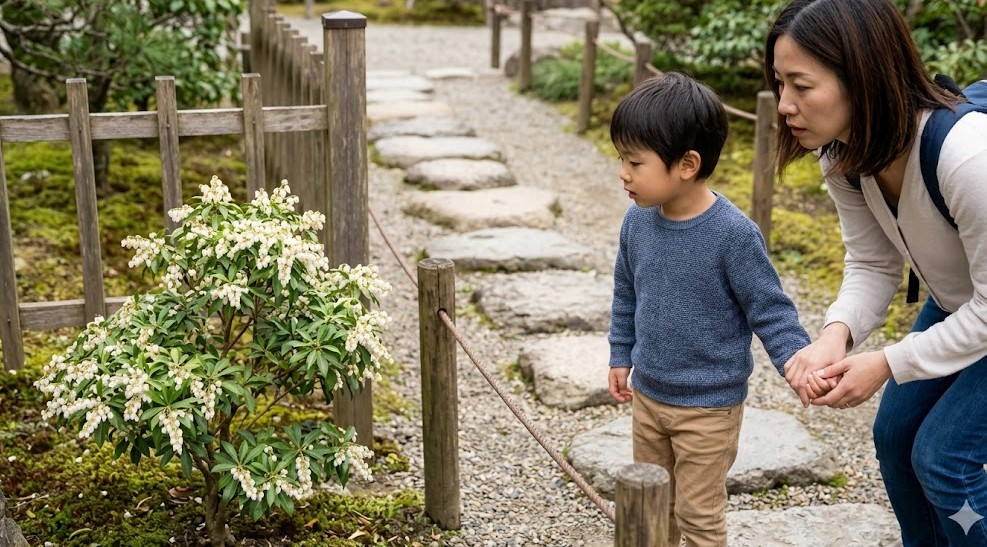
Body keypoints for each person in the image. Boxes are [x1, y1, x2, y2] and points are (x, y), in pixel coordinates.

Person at [766, 0, 987, 544]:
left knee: (944, 459)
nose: (785, 105)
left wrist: (887, 362)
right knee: (893, 437)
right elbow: (871, 262)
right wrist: (835, 336)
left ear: (861, 77)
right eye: (780, 83)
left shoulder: (965, 156)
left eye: (801, 85)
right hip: (960, 302)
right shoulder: (842, 153)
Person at [606, 72, 811, 547]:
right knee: (651, 504)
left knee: (698, 514)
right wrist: (620, 353)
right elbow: (626, 292)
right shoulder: (637, 222)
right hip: (649, 395)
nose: (623, 173)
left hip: (708, 408)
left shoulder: (733, 235)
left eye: (634, 162)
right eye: (621, 159)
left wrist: (798, 363)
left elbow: (770, 309)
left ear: (687, 164)